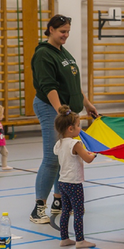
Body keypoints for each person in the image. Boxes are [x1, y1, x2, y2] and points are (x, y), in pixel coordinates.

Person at [30, 14, 98, 224]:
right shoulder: (43, 54)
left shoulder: (63, 52)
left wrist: (86, 103)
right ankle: (38, 208)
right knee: (52, 159)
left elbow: (73, 83)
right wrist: (60, 111)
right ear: (50, 29)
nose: (66, 35)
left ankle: (59, 201)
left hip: (65, 111)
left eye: (68, 31)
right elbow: (48, 86)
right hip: (51, 108)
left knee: (65, 156)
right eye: (62, 31)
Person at [53, 106, 97, 248]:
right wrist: (94, 153)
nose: (80, 128)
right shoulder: (75, 143)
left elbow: (64, 154)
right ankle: (80, 240)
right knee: (78, 212)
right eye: (78, 125)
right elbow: (88, 159)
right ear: (70, 129)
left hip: (62, 182)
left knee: (65, 211)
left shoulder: (59, 143)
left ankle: (64, 238)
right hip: (74, 183)